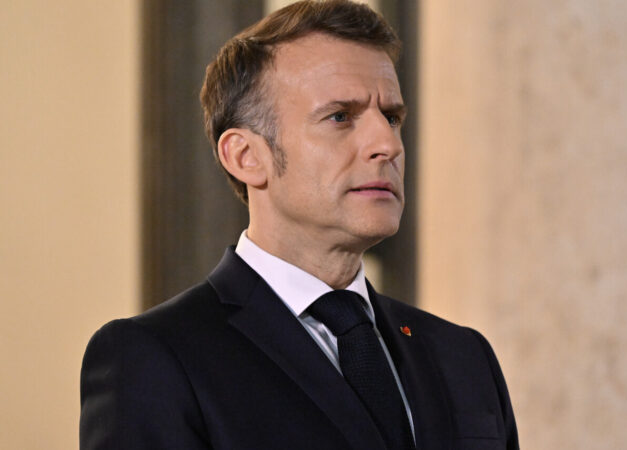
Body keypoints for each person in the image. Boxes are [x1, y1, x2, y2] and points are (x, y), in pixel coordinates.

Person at [79, 1, 519, 449]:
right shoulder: (156, 357)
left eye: (391, 117)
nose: (387, 144)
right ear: (246, 157)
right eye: (340, 116)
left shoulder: (464, 357)